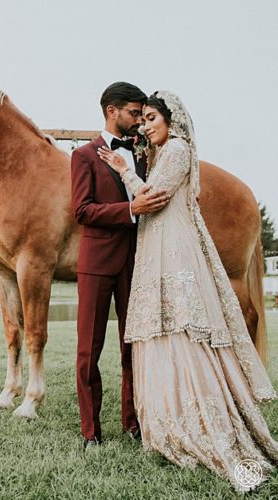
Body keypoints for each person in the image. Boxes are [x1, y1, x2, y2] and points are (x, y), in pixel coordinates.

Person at [97, 90, 278, 492]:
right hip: (158, 243)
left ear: (170, 120)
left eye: (151, 119)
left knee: (182, 325)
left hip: (173, 246)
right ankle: (166, 417)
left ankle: (203, 421)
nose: (145, 126)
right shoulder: (165, 152)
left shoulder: (177, 149)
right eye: (141, 120)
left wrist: (123, 169)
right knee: (162, 326)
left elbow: (150, 198)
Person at [71, 82, 170, 449]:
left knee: (134, 347)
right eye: (133, 113)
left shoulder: (143, 155)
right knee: (88, 351)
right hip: (96, 264)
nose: (139, 122)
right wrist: (130, 210)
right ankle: (90, 431)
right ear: (112, 111)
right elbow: (82, 211)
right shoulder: (83, 156)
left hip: (137, 264)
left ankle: (133, 422)